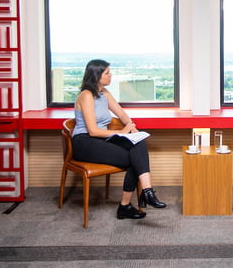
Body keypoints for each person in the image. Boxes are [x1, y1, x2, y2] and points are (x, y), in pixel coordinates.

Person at [71, 59, 166, 220]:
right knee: (134, 159)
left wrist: (132, 127)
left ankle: (146, 192)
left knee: (138, 143)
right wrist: (122, 133)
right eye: (107, 73)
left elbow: (121, 114)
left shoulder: (105, 94)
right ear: (96, 76)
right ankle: (132, 202)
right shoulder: (86, 95)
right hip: (84, 142)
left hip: (101, 140)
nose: (111, 75)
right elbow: (93, 131)